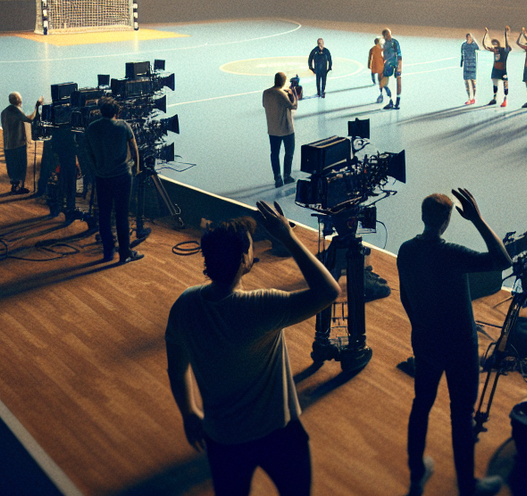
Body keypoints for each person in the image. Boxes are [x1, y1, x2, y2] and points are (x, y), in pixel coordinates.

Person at [165, 203, 341, 496]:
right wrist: (287, 237)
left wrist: (188, 412)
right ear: (245, 259)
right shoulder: (261, 306)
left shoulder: (185, 304)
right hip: (279, 434)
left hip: (222, 440)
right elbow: (329, 291)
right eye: (250, 247)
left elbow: (176, 368)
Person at [398, 190, 512, 496]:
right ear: (448, 220)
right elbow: (501, 260)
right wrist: (477, 219)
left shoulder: (406, 251)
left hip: (425, 343)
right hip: (460, 347)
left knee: (420, 405)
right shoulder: (452, 254)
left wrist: (421, 327)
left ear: (423, 217)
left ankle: (416, 474)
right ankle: (467, 486)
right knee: (461, 415)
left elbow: (405, 297)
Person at [83, 97, 143, 264]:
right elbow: (134, 148)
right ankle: (125, 253)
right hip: (122, 176)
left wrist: (96, 170)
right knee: (121, 215)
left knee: (104, 214)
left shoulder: (91, 128)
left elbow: (87, 152)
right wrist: (137, 168)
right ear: (116, 112)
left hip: (102, 177)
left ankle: (107, 252)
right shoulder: (123, 126)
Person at [0, 92, 40, 194]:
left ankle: (14, 185)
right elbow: (29, 120)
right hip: (18, 144)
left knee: (11, 165)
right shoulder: (16, 111)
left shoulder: (4, 112)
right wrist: (37, 108)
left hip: (7, 144)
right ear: (18, 100)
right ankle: (19, 187)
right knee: (20, 165)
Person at [262, 73, 297, 187]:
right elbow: (293, 106)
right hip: (286, 130)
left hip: (272, 129)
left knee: (274, 154)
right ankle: (287, 176)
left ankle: (277, 178)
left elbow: (264, 105)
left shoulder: (266, 93)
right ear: (283, 82)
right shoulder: (282, 94)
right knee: (289, 153)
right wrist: (294, 94)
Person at [482, 27, 511, 107]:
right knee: (495, 84)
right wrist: (485, 34)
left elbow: (507, 46)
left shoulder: (503, 50)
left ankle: (505, 99)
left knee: (505, 84)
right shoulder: (495, 50)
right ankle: (494, 98)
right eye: (493, 44)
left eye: (495, 44)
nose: (494, 45)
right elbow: (485, 45)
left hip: (503, 70)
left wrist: (506, 34)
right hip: (495, 69)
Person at [381, 28, 403, 110]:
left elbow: (399, 55)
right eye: (385, 35)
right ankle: (390, 100)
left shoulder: (395, 42)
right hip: (387, 65)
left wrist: (399, 67)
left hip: (396, 63)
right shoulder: (384, 44)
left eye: (388, 34)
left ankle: (397, 102)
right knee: (385, 82)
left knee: (398, 81)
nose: (387, 36)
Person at [459, 32, 480, 105]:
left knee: (473, 82)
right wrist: (461, 62)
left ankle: (473, 98)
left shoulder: (474, 45)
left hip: (473, 65)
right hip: (466, 65)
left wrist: (474, 40)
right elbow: (462, 54)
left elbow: (478, 48)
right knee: (467, 82)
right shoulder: (464, 45)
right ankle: (469, 98)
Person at [368, 38, 385, 103]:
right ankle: (381, 88)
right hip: (381, 65)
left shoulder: (372, 49)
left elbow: (370, 57)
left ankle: (373, 80)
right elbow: (384, 56)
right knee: (380, 77)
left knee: (373, 72)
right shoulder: (382, 49)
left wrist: (369, 64)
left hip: (374, 65)